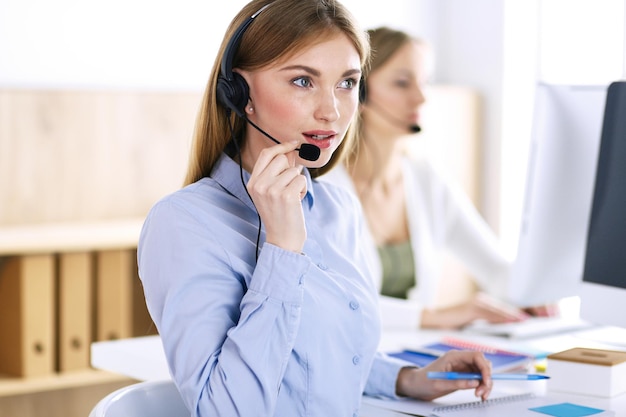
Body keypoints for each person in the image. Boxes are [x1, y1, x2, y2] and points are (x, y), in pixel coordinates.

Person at [137, 2, 495, 416]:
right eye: (304, 81)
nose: (333, 110)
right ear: (239, 93)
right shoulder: (184, 224)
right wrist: (283, 248)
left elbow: (318, 362)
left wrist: (407, 378)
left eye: (346, 83)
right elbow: (227, 408)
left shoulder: (336, 208)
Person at [321, 26, 554, 331]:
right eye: (403, 83)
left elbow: (495, 269)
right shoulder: (323, 186)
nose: (420, 98)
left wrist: (533, 293)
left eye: (424, 83)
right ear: (358, 89)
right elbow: (331, 303)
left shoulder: (426, 180)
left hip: (416, 357)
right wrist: (436, 317)